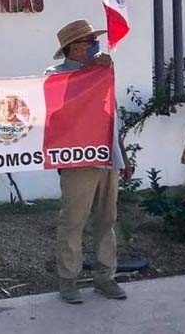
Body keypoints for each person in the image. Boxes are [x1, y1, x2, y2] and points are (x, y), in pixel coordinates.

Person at [45, 19, 133, 304]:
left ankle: (105, 276)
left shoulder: (102, 72)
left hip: (107, 154)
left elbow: (112, 115)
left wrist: (122, 154)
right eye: (88, 42)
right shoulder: (55, 75)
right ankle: (68, 280)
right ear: (73, 47)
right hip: (78, 159)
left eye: (94, 41)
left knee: (107, 219)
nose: (94, 46)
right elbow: (60, 110)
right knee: (73, 220)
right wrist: (90, 73)